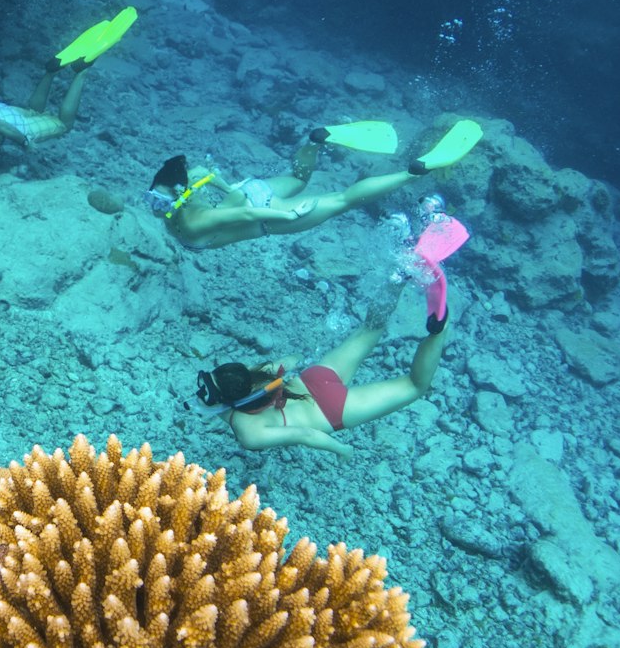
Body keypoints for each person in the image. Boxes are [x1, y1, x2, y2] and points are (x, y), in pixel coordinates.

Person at [195, 217, 468, 458]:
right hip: (314, 377)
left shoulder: (249, 434)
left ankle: (438, 330)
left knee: (414, 386)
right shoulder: (249, 377)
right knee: (371, 328)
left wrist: (342, 450)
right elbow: (288, 361)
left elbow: (307, 435)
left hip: (329, 410)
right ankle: (399, 273)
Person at [154, 119, 482, 250]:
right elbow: (204, 177)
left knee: (343, 200)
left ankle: (413, 173)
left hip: (266, 213)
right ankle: (314, 141)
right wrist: (226, 188)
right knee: (298, 177)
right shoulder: (182, 203)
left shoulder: (187, 220)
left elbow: (247, 218)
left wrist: (291, 218)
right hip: (249, 191)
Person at [0, 7, 135, 149]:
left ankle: (82, 69)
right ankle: (51, 70)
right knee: (34, 112)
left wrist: (24, 142)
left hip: (3, 123)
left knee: (63, 125)